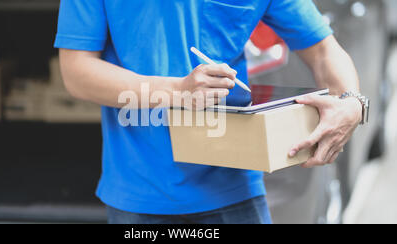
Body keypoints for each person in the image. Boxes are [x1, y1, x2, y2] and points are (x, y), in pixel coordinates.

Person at [54, 0, 367, 224]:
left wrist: (351, 103)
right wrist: (177, 91)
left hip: (234, 188)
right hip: (142, 192)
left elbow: (325, 52)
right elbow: (76, 72)